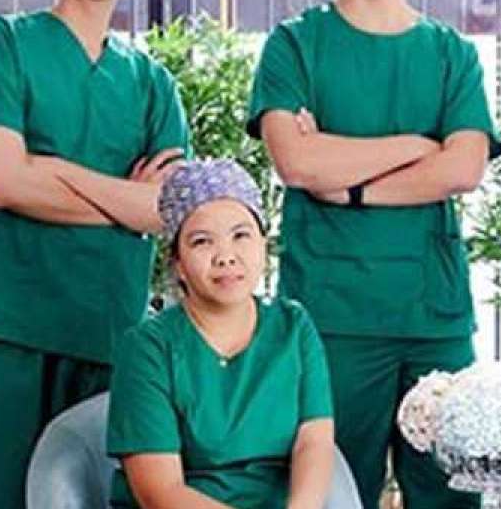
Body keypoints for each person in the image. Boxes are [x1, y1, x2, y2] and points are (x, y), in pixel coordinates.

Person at [0, 0, 189, 506]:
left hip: (106, 326)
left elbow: (164, 211)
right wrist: (123, 200)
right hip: (8, 320)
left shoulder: (153, 83)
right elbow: (4, 183)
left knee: (92, 496)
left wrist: (55, 170)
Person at [247, 0, 501, 506]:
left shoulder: (451, 53)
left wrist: (352, 185)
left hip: (432, 317)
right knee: (332, 490)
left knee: (451, 493)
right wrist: (417, 145)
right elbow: (298, 164)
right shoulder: (295, 44)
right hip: (332, 313)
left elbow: (464, 168)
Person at [106, 159, 335, 508]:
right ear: (178, 264)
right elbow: (160, 493)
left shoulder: (294, 328)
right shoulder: (147, 348)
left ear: (263, 244)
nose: (226, 257)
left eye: (241, 235)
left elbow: (314, 441)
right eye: (202, 242)